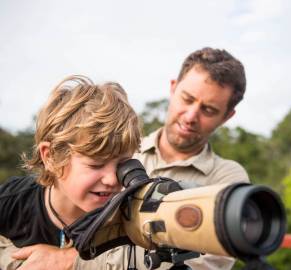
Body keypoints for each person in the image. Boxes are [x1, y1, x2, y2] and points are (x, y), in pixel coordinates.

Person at [2, 47, 249, 270]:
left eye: (209, 109)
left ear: (227, 116)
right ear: (173, 88)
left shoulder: (226, 178)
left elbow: (204, 262)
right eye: (187, 98)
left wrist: (70, 260)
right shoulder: (118, 144)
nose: (191, 116)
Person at [0, 75, 141, 269]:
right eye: (96, 164)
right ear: (50, 157)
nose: (111, 180)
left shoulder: (132, 213)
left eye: (122, 164)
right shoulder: (11, 202)